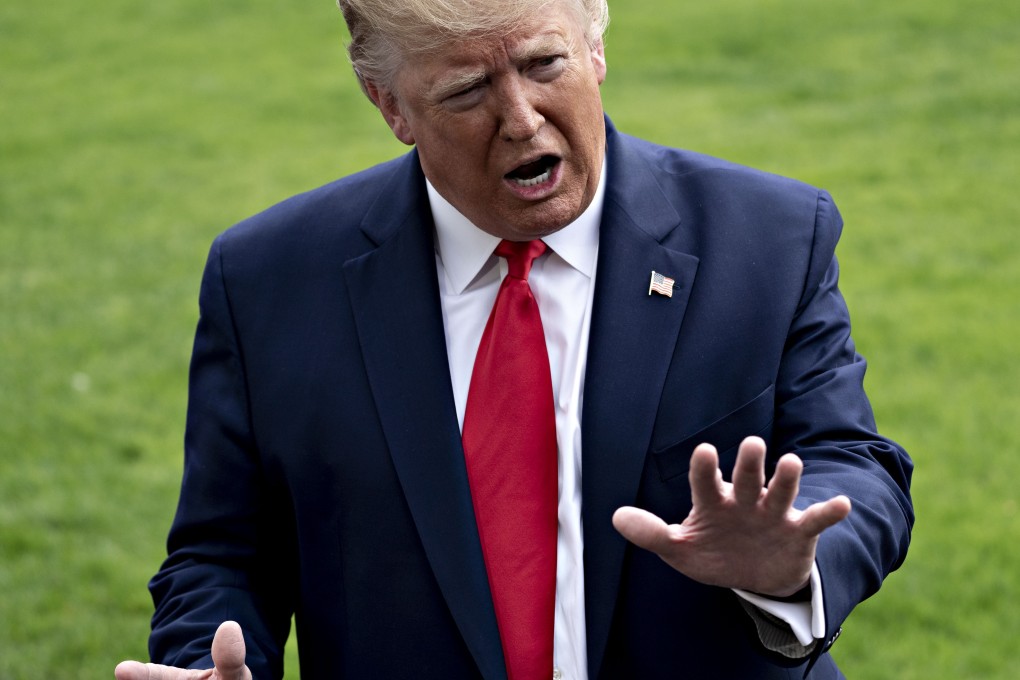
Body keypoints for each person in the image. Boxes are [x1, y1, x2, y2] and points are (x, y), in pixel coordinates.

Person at [115, 0, 913, 677]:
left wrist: (791, 563)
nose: (522, 119)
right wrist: (203, 661)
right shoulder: (268, 280)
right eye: (467, 90)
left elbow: (853, 459)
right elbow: (222, 555)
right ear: (389, 104)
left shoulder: (771, 239)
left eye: (543, 63)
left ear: (596, 46)